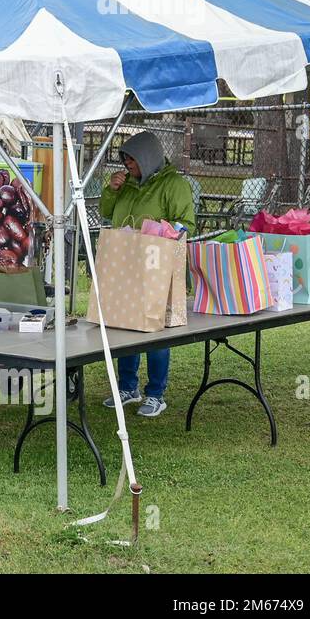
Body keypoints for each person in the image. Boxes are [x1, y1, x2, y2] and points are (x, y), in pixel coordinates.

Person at [99, 130, 196, 418]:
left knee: (156, 329)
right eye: (124, 159)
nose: (127, 164)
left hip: (157, 266)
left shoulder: (173, 184)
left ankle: (156, 393)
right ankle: (128, 387)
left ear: (148, 157)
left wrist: (154, 233)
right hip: (126, 264)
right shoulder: (126, 184)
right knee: (127, 325)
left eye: (132, 159)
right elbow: (106, 212)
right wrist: (111, 190)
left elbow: (185, 223)